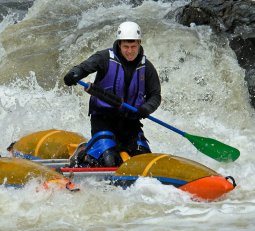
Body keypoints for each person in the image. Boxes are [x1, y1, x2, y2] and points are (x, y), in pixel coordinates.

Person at [64, 21, 161, 167]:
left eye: (133, 46)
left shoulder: (147, 67)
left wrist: (146, 108)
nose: (130, 51)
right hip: (103, 120)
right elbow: (84, 67)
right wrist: (74, 74)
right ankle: (84, 152)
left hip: (130, 122)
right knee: (109, 161)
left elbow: (155, 96)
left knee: (143, 161)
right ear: (119, 44)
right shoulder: (104, 58)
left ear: (139, 44)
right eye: (126, 47)